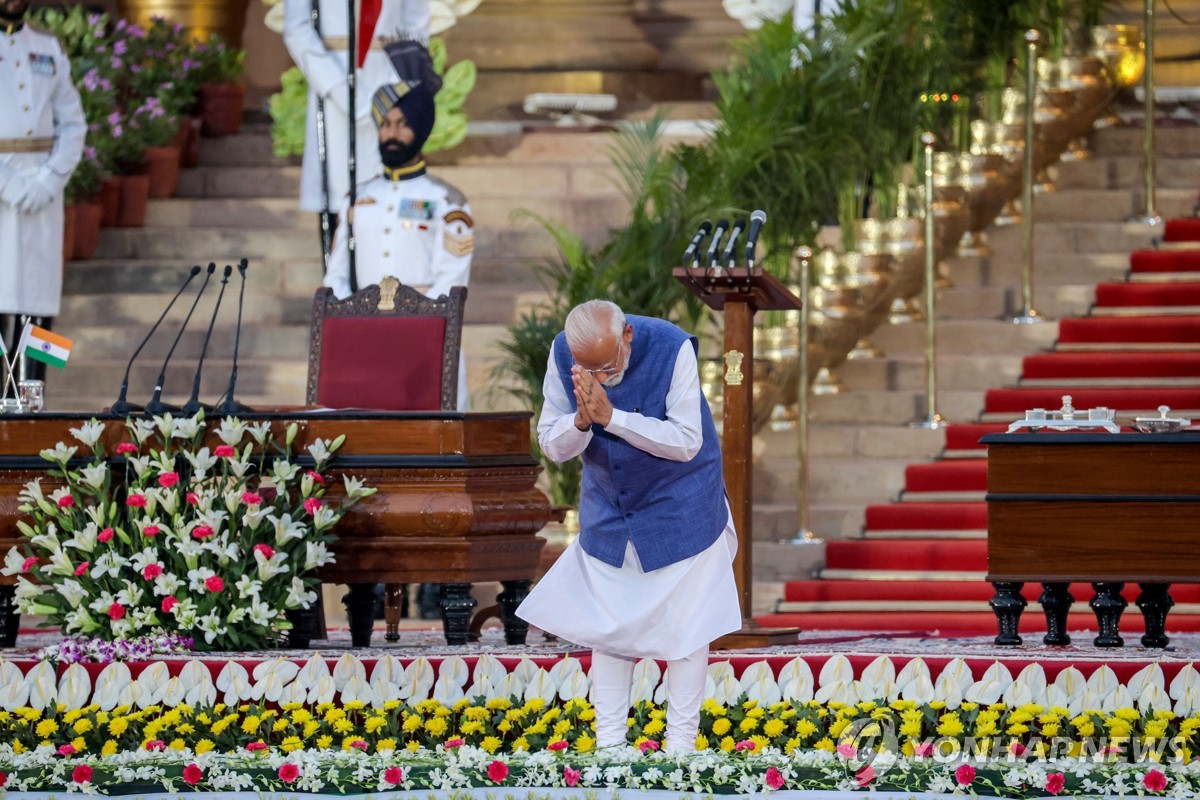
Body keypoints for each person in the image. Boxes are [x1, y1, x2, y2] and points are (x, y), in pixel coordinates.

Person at [517, 299, 741, 754]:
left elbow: (685, 441)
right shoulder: (563, 353)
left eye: (609, 366)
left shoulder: (673, 347)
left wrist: (612, 419)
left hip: (683, 502)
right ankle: (610, 748)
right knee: (609, 628)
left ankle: (680, 749)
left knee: (687, 628)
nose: (601, 378)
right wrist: (581, 420)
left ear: (627, 337)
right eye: (590, 370)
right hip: (611, 505)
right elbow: (552, 445)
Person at [323, 79, 473, 410]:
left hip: (426, 336)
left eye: (402, 125)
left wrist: (413, 320)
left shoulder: (447, 200)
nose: (391, 134)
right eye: (386, 124)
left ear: (419, 131)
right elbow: (335, 272)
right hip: (362, 335)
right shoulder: (358, 196)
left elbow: (452, 278)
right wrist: (349, 315)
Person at [282, 0, 430, 237]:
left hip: (388, 78)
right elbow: (296, 29)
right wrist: (343, 92)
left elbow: (416, 23)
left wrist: (397, 88)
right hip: (332, 85)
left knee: (391, 211)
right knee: (338, 204)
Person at [0, 0, 85, 388]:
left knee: (44, 300)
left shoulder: (47, 45)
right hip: (5, 189)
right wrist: (10, 185)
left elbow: (73, 122)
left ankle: (36, 395)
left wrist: (51, 178)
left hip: (44, 192)